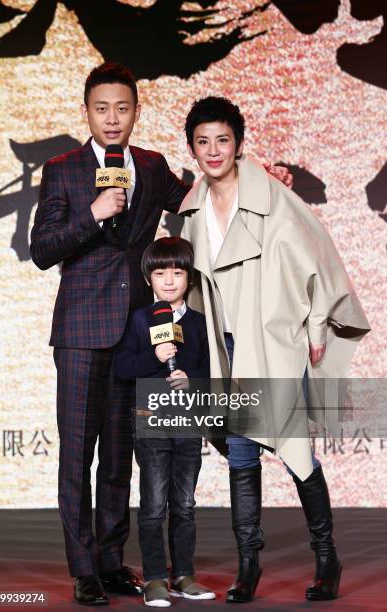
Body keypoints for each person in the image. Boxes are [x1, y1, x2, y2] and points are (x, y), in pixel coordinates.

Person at [30, 61, 291, 605]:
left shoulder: (151, 166)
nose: (112, 118)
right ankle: (83, 569)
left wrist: (260, 178)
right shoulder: (63, 169)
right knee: (78, 454)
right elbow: (42, 249)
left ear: (135, 112)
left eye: (122, 108)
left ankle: (110, 559)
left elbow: (199, 199)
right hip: (79, 332)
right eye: (101, 108)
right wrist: (94, 214)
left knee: (123, 455)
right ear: (87, 111)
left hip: (139, 335)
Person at [179, 96, 370, 603]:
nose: (214, 150)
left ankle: (327, 557)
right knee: (241, 456)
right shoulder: (194, 209)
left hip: (273, 341)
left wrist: (314, 325)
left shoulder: (272, 197)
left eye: (223, 139)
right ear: (193, 150)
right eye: (203, 142)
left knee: (294, 451)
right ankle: (249, 567)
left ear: (238, 143)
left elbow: (313, 256)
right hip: (229, 348)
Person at [113, 236, 215, 607]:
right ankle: (155, 576)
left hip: (188, 421)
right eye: (160, 273)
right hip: (151, 419)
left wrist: (193, 381)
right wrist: (156, 357)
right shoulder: (140, 319)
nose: (169, 280)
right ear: (147, 278)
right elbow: (123, 368)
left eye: (177, 272)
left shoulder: (201, 324)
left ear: (189, 278)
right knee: (154, 503)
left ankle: (183, 574)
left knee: (184, 503)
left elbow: (209, 372)